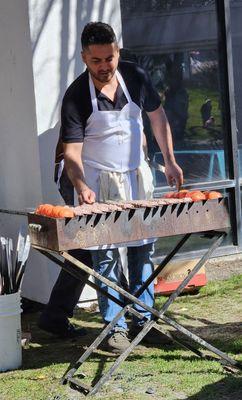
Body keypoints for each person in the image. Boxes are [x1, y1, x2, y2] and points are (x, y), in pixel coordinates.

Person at [60, 22, 183, 353]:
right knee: (105, 255)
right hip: (97, 180)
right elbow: (72, 152)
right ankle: (114, 327)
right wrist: (81, 183)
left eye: (109, 58)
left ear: (117, 53)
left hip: (136, 176)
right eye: (96, 60)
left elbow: (157, 118)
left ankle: (144, 320)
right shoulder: (75, 95)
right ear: (85, 58)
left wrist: (169, 160)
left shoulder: (135, 77)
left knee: (143, 250)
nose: (104, 67)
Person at [38, 133, 94, 339]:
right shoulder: (81, 101)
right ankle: (130, 311)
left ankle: (56, 314)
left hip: (90, 172)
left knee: (90, 250)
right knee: (88, 249)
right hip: (80, 174)